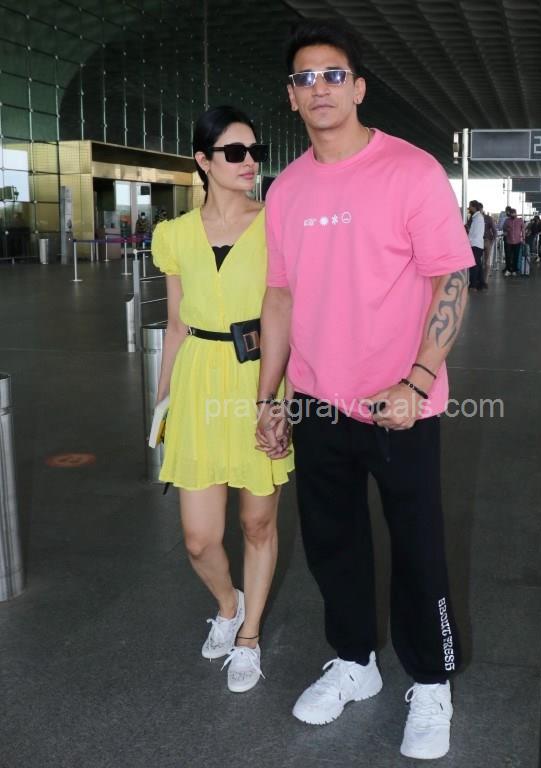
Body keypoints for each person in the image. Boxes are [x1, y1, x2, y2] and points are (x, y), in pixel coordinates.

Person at [256, 18, 474, 761]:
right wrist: (270, 396)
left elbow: (452, 279)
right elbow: (280, 297)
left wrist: (418, 379)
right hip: (318, 401)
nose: (319, 87)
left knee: (418, 548)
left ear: (358, 88)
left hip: (400, 401)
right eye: (304, 78)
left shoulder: (410, 170)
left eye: (333, 74)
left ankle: (432, 682)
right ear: (291, 97)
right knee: (332, 544)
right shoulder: (286, 190)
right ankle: (355, 663)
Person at [152, 106, 293, 694]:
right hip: (197, 383)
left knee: (257, 522)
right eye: (235, 152)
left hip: (258, 377)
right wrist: (162, 402)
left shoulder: (276, 224)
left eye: (255, 151)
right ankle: (229, 604)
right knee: (199, 538)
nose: (250, 161)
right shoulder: (173, 235)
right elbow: (176, 324)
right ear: (203, 161)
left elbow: (287, 314)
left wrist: (278, 399)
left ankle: (249, 637)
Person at [467, 199, 485, 290]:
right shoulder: (476, 217)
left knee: (474, 265)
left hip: (475, 244)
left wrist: (468, 241)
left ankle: (473, 284)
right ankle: (481, 283)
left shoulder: (478, 218)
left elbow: (475, 233)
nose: (469, 208)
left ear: (474, 207)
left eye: (470, 206)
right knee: (478, 265)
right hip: (476, 244)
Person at [502, 207, 524, 275]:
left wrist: (523, 239)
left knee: (516, 256)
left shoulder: (520, 221)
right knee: (508, 256)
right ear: (510, 214)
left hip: (517, 241)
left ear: (516, 213)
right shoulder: (507, 221)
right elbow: (503, 228)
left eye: (514, 213)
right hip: (509, 241)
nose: (513, 214)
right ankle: (508, 270)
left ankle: (514, 270)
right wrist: (507, 230)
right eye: (512, 213)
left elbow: (523, 230)